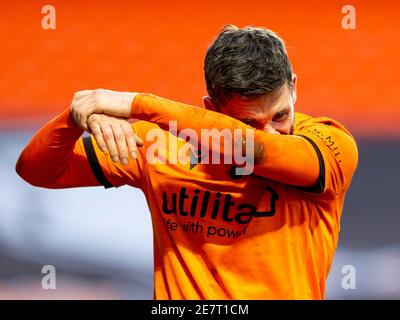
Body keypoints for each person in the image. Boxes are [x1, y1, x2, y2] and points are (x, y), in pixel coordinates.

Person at [16, 25, 358, 299]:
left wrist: (138, 103)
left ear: (294, 87)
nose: (272, 132)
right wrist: (76, 117)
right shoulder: (161, 146)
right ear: (211, 108)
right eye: (250, 122)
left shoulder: (330, 146)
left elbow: (257, 149)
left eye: (280, 115)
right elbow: (37, 170)